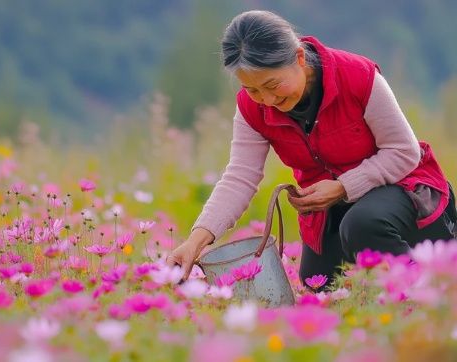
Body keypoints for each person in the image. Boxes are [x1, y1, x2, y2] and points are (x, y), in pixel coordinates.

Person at [166, 10, 457, 287]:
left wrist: (343, 186)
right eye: (253, 90)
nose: (266, 100)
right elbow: (239, 178)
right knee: (318, 284)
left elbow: (404, 152)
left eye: (272, 84)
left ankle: (424, 296)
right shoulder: (250, 109)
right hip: (333, 207)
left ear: (299, 57)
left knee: (362, 225)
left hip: (402, 189)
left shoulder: (357, 76)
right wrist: (195, 241)